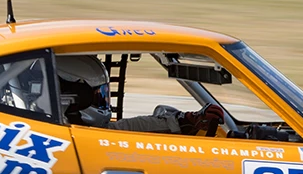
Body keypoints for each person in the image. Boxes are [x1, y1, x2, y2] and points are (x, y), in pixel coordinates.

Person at [56, 54, 224, 135]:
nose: (105, 101)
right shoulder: (75, 135)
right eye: (98, 96)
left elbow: (125, 128)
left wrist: (183, 121)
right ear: (74, 98)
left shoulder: (78, 129)